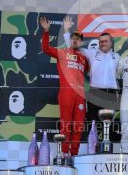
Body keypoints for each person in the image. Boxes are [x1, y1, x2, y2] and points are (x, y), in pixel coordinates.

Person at [40, 16, 89, 156]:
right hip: (66, 93)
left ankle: (74, 154)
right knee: (66, 124)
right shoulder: (62, 53)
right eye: (73, 38)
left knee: (78, 126)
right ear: (70, 40)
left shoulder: (83, 58)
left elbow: (85, 71)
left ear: (80, 42)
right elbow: (45, 48)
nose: (75, 40)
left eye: (78, 39)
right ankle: (64, 153)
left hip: (80, 95)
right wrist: (46, 31)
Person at [63, 20, 120, 136]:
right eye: (101, 41)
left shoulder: (117, 56)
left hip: (111, 93)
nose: (103, 43)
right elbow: (72, 47)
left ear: (111, 43)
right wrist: (66, 31)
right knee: (93, 123)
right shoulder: (92, 53)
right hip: (95, 92)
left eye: (106, 41)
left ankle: (106, 150)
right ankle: (93, 150)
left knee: (108, 125)